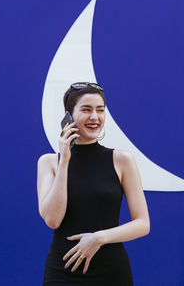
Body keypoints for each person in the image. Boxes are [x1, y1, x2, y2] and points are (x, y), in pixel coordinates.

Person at [37, 82, 150, 286]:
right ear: (68, 117)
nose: (94, 117)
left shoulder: (122, 160)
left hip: (111, 271)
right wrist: (64, 161)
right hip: (63, 272)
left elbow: (142, 223)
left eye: (100, 110)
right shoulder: (49, 163)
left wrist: (98, 238)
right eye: (86, 110)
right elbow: (53, 219)